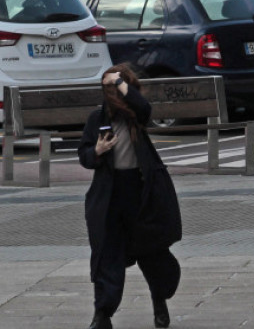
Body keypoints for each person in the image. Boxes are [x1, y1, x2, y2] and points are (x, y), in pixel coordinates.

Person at [78, 63, 182, 329]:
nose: (113, 95)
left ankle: (159, 300)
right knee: (107, 256)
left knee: (152, 253)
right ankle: (102, 315)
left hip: (141, 191)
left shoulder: (136, 116)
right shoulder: (96, 119)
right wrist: (98, 151)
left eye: (116, 89)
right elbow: (84, 157)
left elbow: (144, 108)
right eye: (109, 89)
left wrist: (121, 82)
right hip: (109, 196)